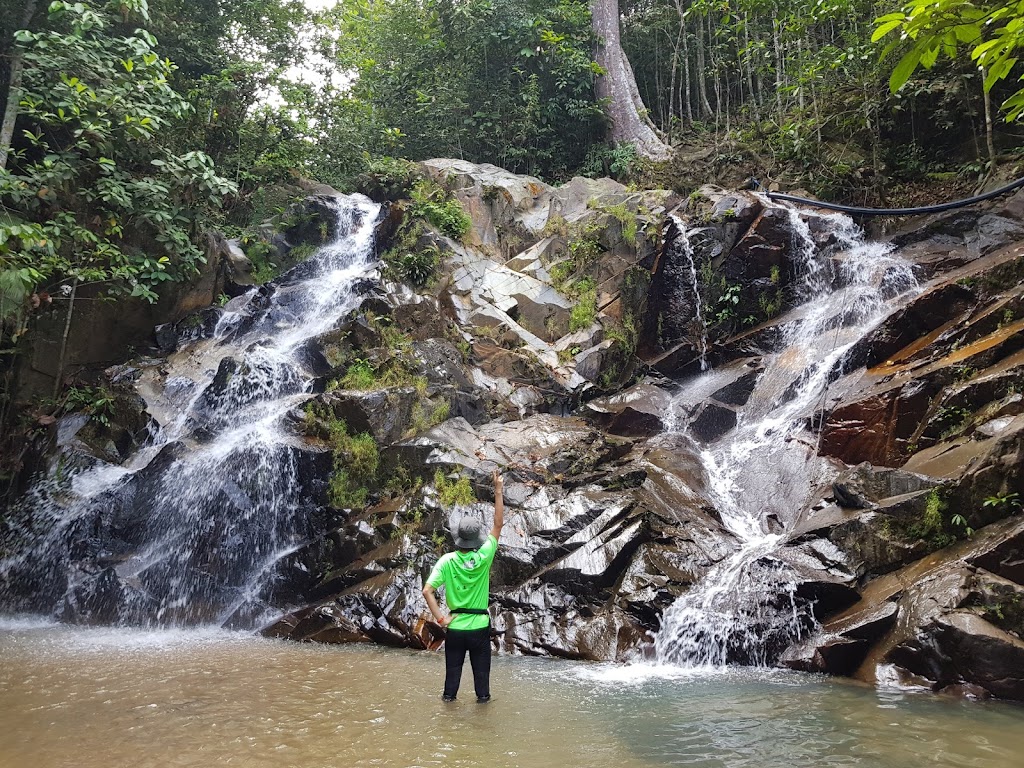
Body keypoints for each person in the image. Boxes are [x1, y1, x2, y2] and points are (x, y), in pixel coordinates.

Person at [422, 470, 504, 703]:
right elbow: (498, 524)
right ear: (477, 538)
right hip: (479, 628)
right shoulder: (484, 556)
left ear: (458, 537)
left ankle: (448, 726)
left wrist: (440, 619)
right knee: (482, 687)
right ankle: (482, 728)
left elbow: (427, 590)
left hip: (455, 628)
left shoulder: (447, 561)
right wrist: (498, 490)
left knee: (451, 685)